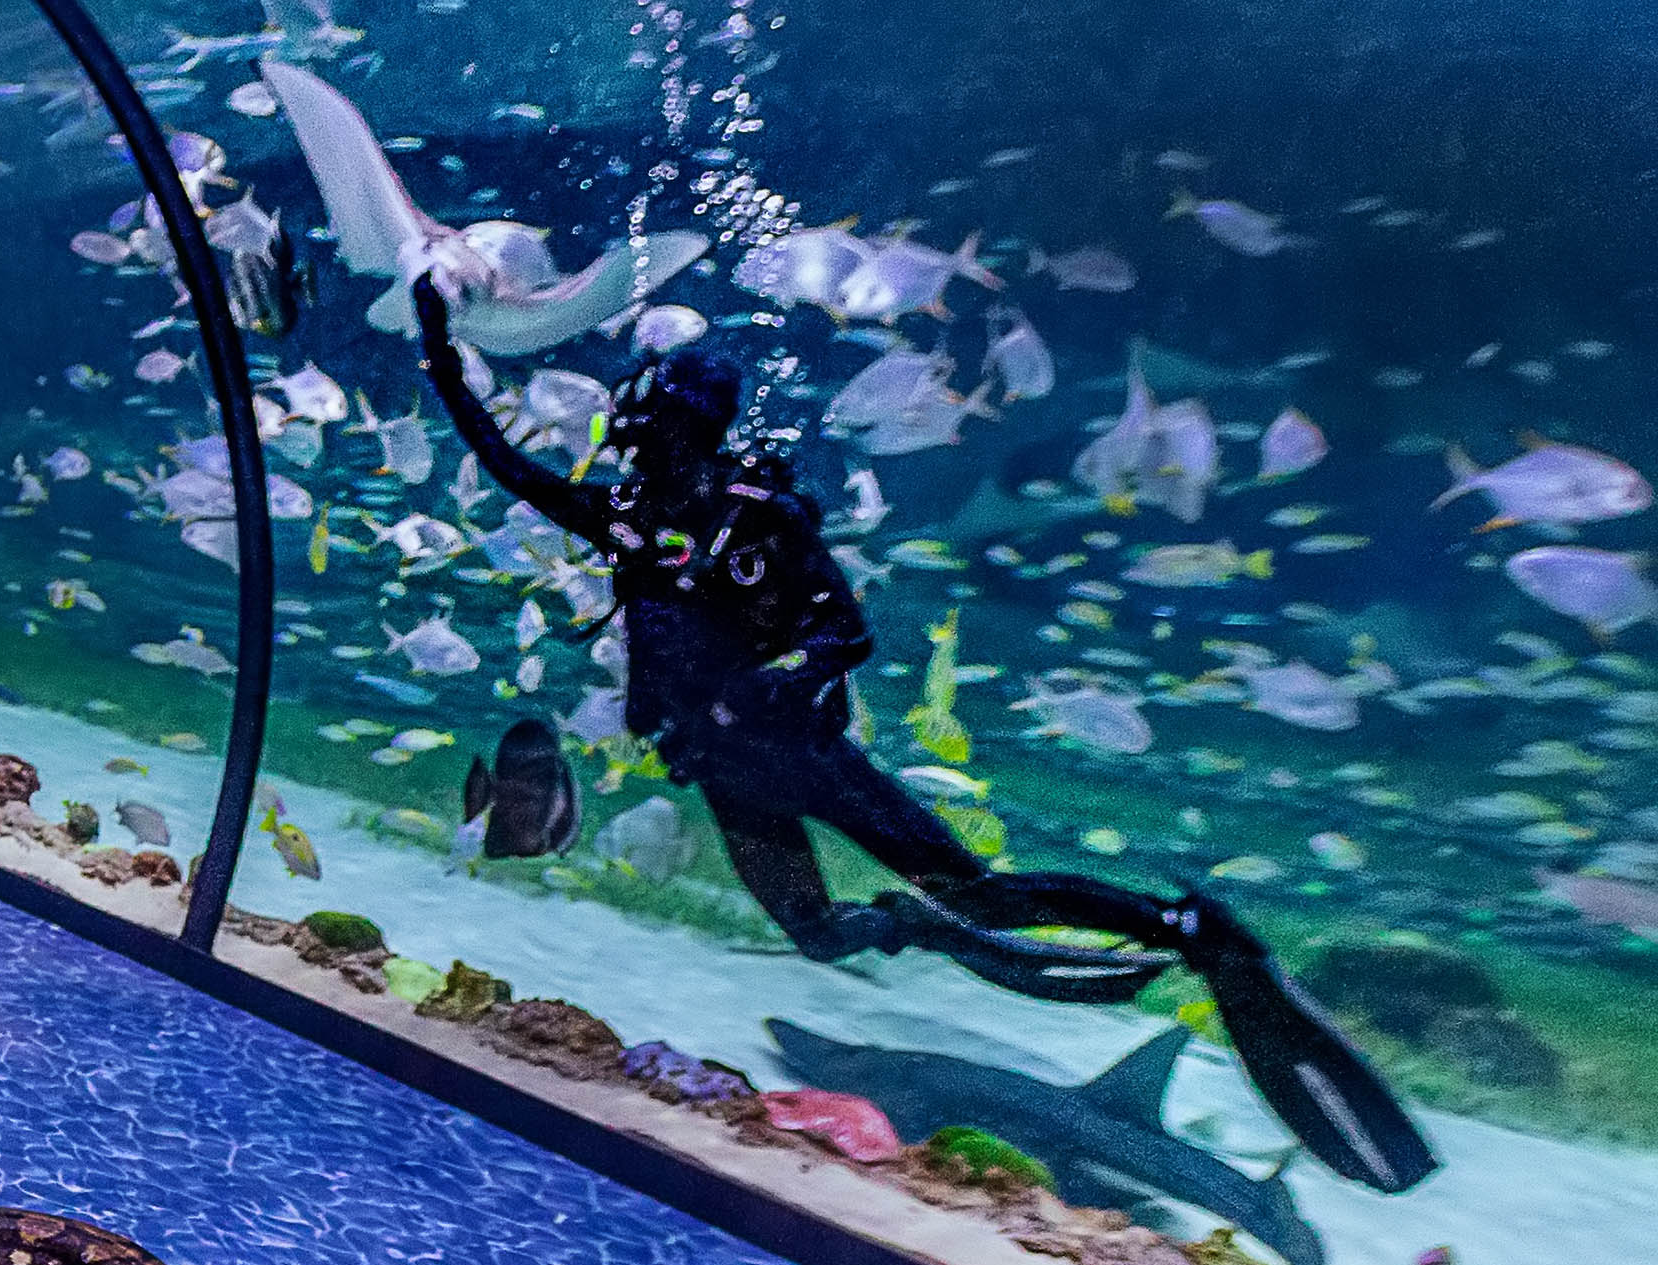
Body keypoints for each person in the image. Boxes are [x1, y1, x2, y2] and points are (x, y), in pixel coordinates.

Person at [409, 274, 1435, 1194]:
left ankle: (1185, 931)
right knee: (817, 934)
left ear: (678, 427)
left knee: (982, 891)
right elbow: (502, 461)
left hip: (803, 759)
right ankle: (918, 926)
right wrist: (437, 341)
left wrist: (787, 675)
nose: (628, 437)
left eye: (645, 423)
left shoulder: (759, 519)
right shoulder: (631, 522)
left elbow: (843, 628)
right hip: (727, 773)